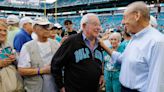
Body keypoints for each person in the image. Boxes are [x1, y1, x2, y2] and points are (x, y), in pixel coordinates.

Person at [99, 1, 164, 92]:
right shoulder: (134, 38)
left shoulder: (157, 42)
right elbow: (124, 60)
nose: (122, 22)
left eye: (124, 17)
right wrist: (104, 46)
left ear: (137, 16)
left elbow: (157, 85)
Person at [51, 13, 105, 92]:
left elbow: (99, 62)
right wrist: (61, 86)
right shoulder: (71, 41)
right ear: (83, 26)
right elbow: (56, 64)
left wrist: (102, 74)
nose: (98, 28)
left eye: (99, 25)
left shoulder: (99, 43)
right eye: (95, 24)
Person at [18, 17, 59, 92]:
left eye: (48, 26)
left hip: (55, 86)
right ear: (35, 29)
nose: (47, 29)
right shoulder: (27, 47)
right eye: (43, 27)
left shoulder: (56, 44)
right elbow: (21, 70)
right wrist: (41, 70)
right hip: (36, 88)